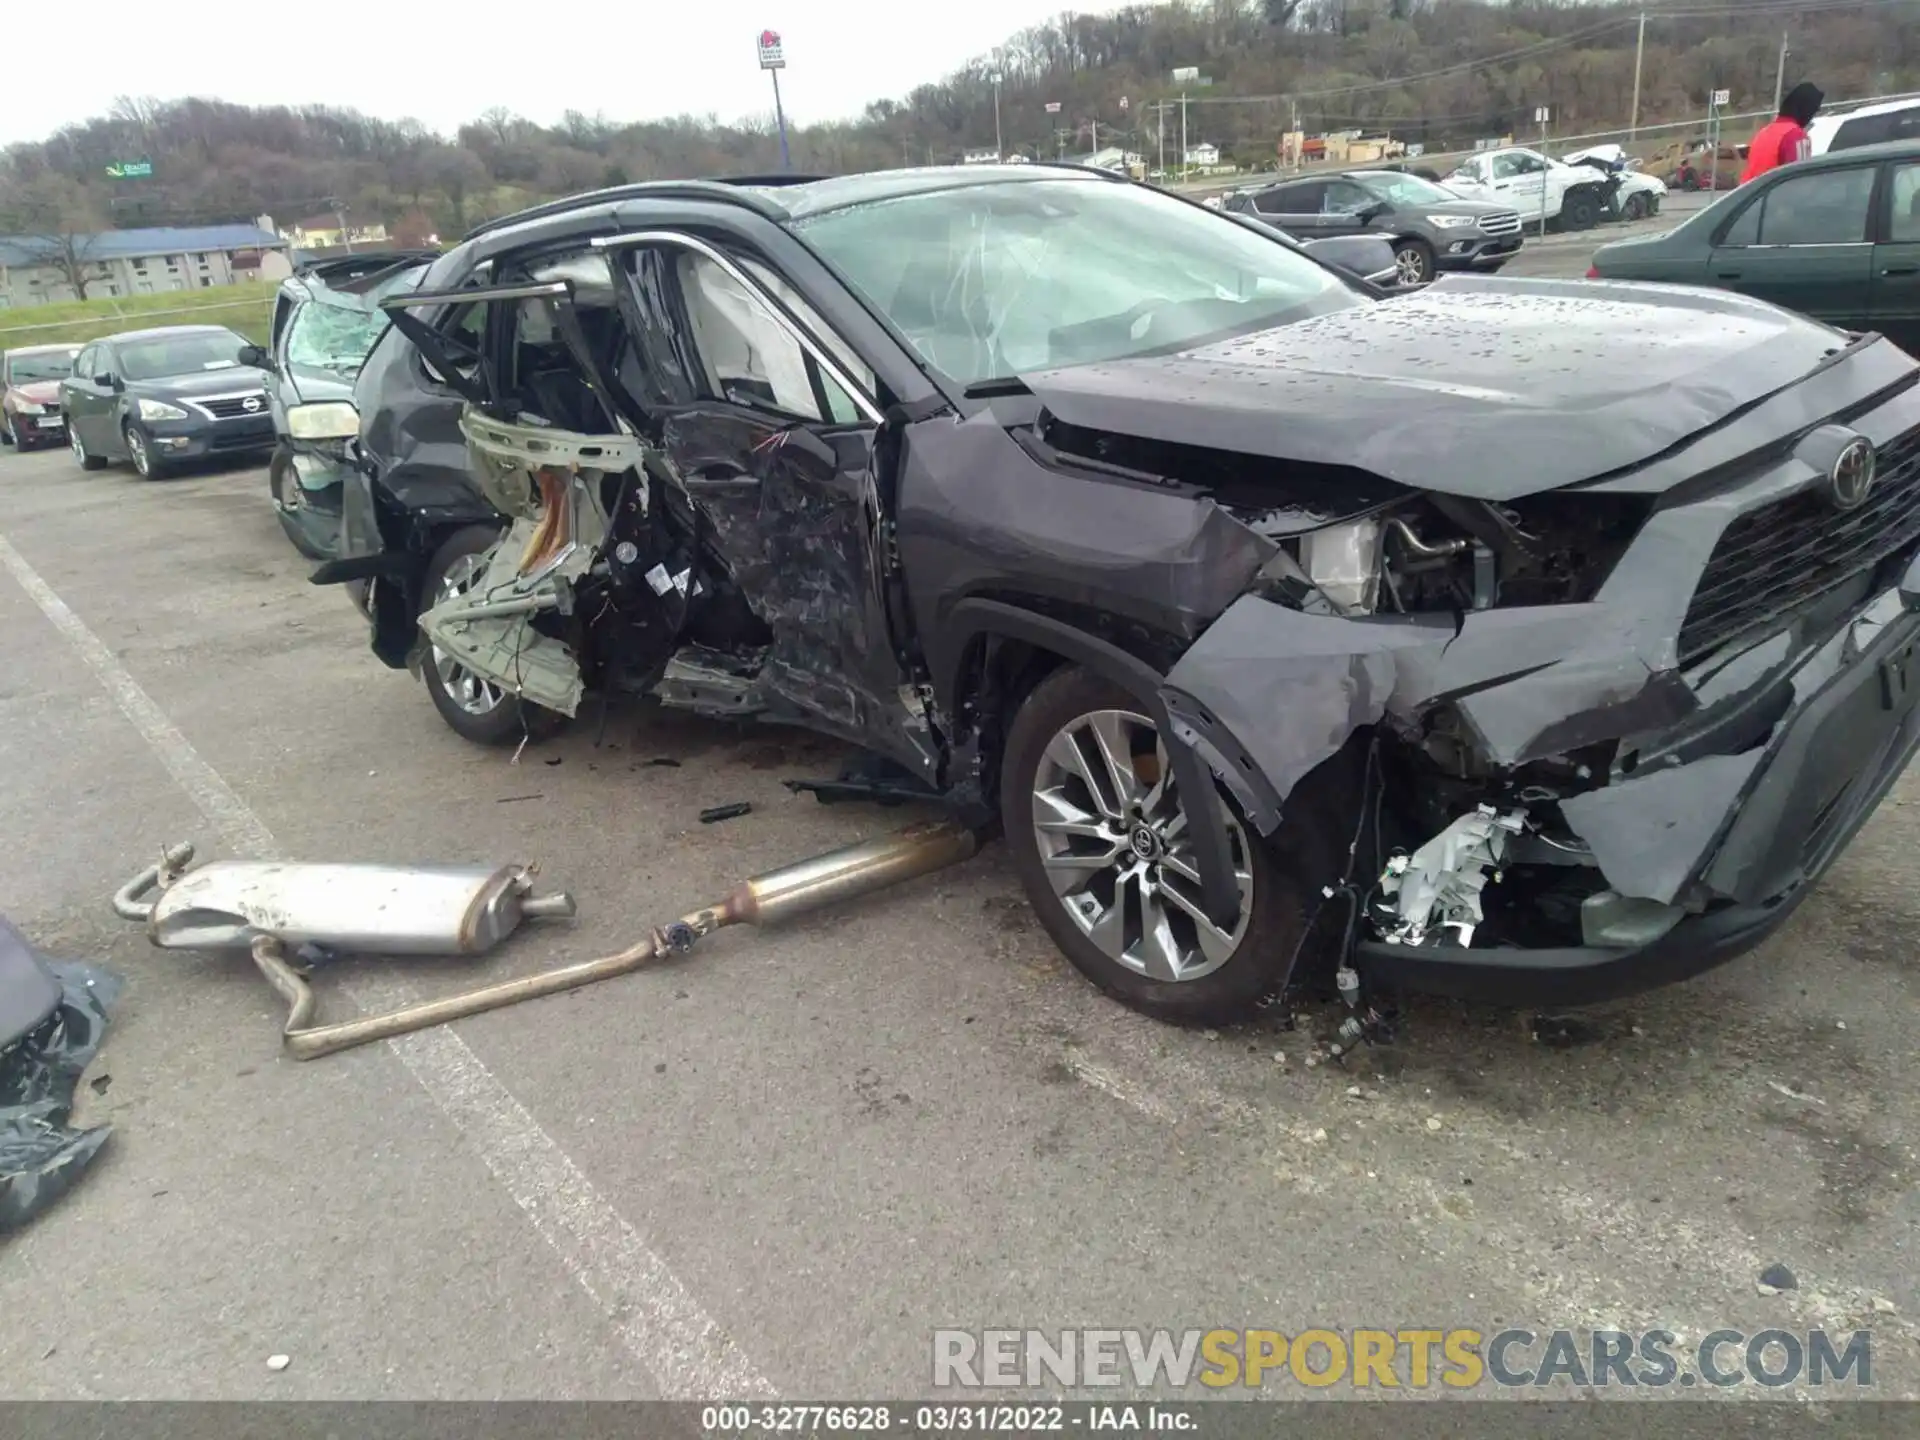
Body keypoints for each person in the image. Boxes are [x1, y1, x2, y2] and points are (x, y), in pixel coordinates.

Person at [1741, 82, 1824, 183]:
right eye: (1814, 110)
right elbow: (1800, 181)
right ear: (1806, 109)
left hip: (1751, 194)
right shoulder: (1796, 135)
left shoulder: (1764, 132)